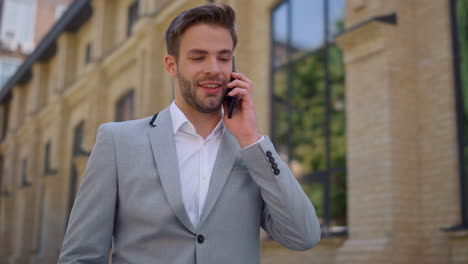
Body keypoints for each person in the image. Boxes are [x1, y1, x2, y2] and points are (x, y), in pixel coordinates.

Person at [58, 3, 320, 264]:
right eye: (198, 57)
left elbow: (303, 236)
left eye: (224, 57)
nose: (214, 69)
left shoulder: (252, 151)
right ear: (171, 65)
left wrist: (251, 138)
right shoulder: (117, 142)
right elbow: (81, 256)